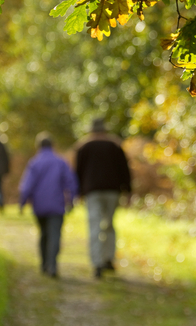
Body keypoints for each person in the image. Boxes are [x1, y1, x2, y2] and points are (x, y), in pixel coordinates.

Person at [75, 118, 132, 279]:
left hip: (92, 191)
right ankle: (108, 258)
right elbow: (124, 170)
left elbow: (78, 172)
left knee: (95, 225)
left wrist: (78, 192)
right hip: (112, 191)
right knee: (109, 225)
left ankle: (97, 262)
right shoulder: (115, 146)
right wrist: (128, 191)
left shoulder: (83, 147)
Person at [19, 132, 78, 278]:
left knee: (44, 234)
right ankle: (52, 265)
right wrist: (71, 199)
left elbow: (27, 186)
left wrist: (22, 202)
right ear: (53, 145)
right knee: (55, 236)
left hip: (39, 206)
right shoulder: (60, 162)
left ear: (38, 146)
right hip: (57, 205)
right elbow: (71, 182)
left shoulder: (34, 163)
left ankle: (44, 264)